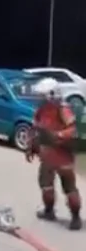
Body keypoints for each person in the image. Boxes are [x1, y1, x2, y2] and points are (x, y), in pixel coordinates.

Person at [26, 78, 82, 231]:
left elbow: (72, 130)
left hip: (63, 155)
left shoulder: (62, 109)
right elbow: (35, 129)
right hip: (47, 156)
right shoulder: (42, 110)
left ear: (51, 94)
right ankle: (49, 210)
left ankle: (75, 217)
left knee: (69, 187)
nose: (39, 99)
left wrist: (57, 136)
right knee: (46, 185)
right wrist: (31, 146)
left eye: (42, 96)